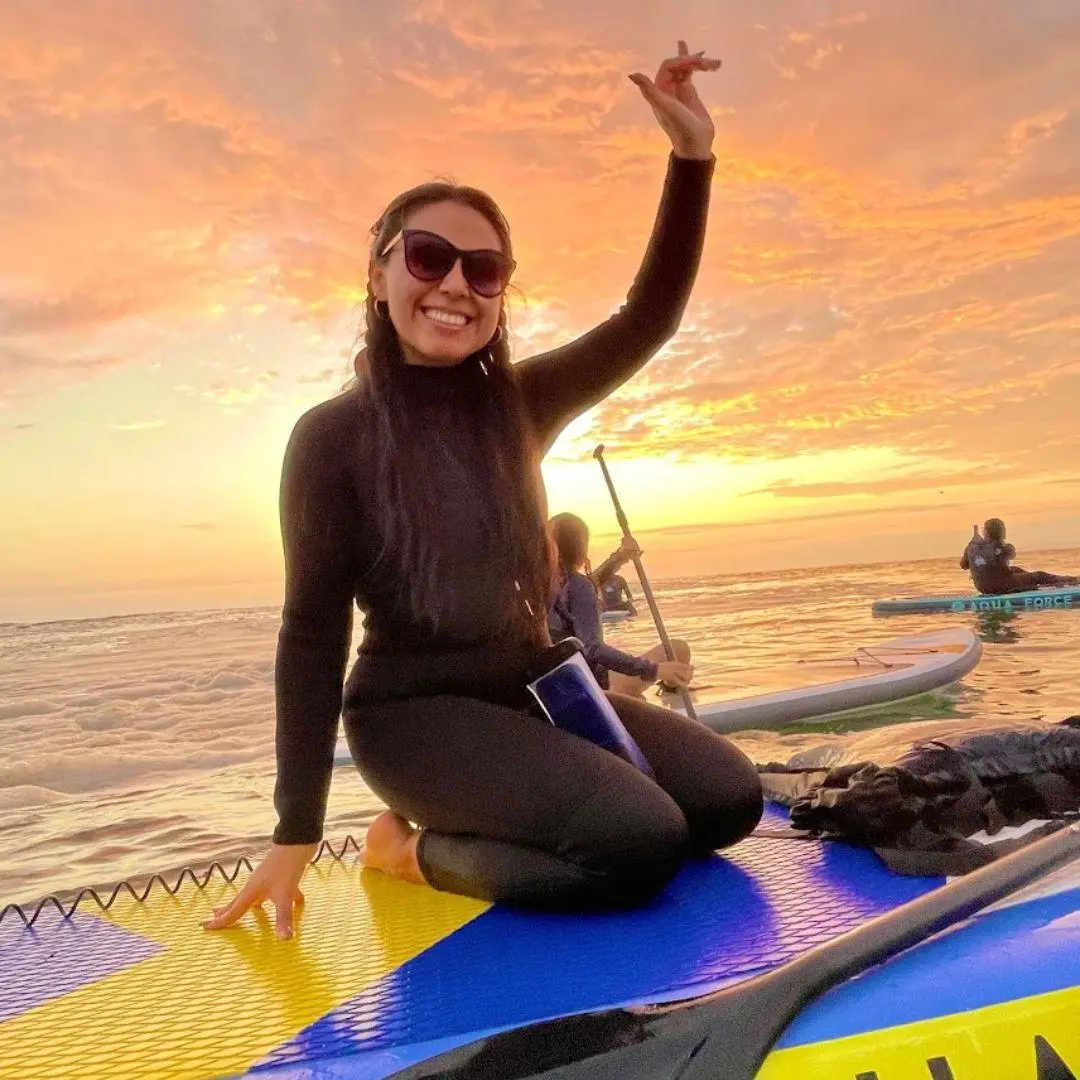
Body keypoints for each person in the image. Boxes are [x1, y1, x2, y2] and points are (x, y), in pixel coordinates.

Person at [205, 42, 762, 940]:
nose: (456, 284)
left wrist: (692, 160)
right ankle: (408, 854)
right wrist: (294, 829)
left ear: (501, 293)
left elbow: (648, 317)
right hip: (413, 716)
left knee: (727, 801)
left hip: (538, 690)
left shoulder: (520, 405)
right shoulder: (333, 438)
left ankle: (482, 823)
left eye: (485, 268)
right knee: (639, 842)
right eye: (429, 257)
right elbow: (311, 634)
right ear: (381, 276)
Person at [548, 512, 692, 698]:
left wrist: (620, 557)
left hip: (562, 687)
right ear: (581, 547)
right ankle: (672, 688)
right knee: (678, 649)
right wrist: (654, 670)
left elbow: (587, 585)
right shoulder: (576, 585)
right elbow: (592, 649)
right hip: (594, 687)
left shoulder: (545, 586)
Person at [961, 519, 1078, 595]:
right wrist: (1001, 544)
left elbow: (964, 565)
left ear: (985, 532)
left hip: (983, 588)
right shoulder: (1002, 546)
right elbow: (1011, 555)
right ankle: (1073, 580)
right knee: (1039, 575)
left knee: (1016, 570)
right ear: (1001, 532)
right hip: (1003, 586)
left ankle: (1032, 584)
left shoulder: (971, 546)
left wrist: (974, 551)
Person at [592, 537, 638, 615]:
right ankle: (622, 551)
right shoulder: (598, 580)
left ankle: (623, 552)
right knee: (595, 578)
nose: (619, 568)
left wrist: (629, 601)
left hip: (618, 606)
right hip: (606, 608)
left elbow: (629, 596)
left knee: (630, 608)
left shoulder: (619, 580)